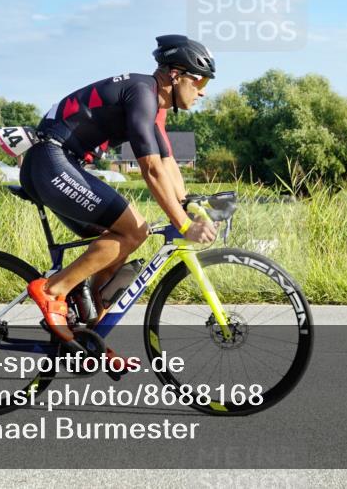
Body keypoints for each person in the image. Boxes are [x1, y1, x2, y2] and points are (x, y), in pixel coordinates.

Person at [20, 34, 218, 350]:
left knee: (115, 245)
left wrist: (192, 205)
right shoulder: (143, 94)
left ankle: (91, 339)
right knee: (134, 230)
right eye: (200, 80)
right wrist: (183, 223)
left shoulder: (154, 105)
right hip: (51, 160)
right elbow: (151, 169)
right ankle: (53, 291)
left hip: (59, 163)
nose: (203, 90)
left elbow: (167, 164)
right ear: (175, 74)